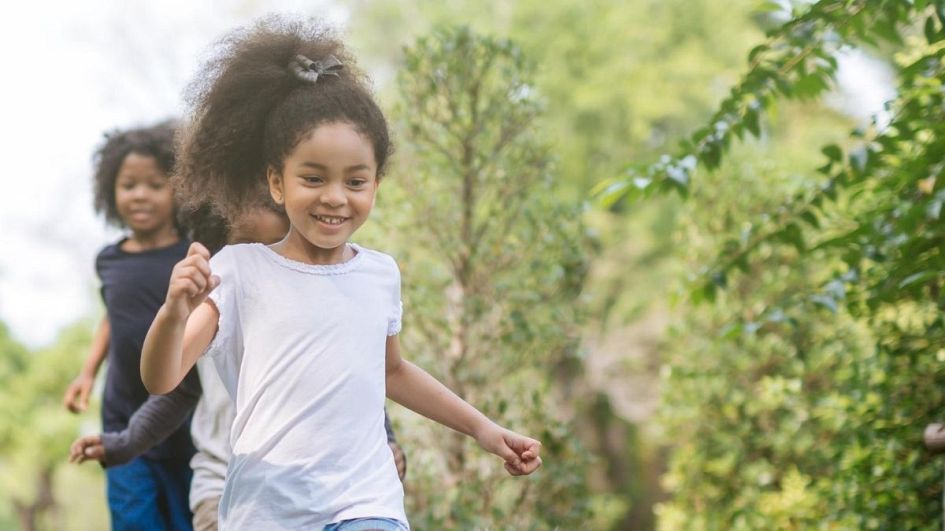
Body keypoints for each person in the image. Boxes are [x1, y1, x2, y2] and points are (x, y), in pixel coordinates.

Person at [140, 17, 542, 530]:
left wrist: (484, 430)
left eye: (356, 180)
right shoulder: (238, 271)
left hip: (365, 501)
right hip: (268, 510)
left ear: (376, 183)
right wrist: (175, 312)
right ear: (276, 183)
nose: (335, 196)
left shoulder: (379, 275)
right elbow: (162, 376)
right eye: (313, 178)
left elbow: (393, 371)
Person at [70, 203, 408, 531]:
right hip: (222, 490)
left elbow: (357, 381)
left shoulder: (322, 309)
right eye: (249, 252)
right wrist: (125, 442)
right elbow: (172, 392)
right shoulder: (211, 313)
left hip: (320, 494)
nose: (265, 264)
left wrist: (387, 439)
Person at [62, 121, 195, 530]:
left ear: (179, 190)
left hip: (181, 418)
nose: (140, 194)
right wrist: (87, 372)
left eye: (155, 184)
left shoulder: (191, 256)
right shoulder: (109, 259)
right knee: (134, 519)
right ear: (110, 192)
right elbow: (113, 316)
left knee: (184, 518)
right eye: (129, 185)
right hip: (121, 416)